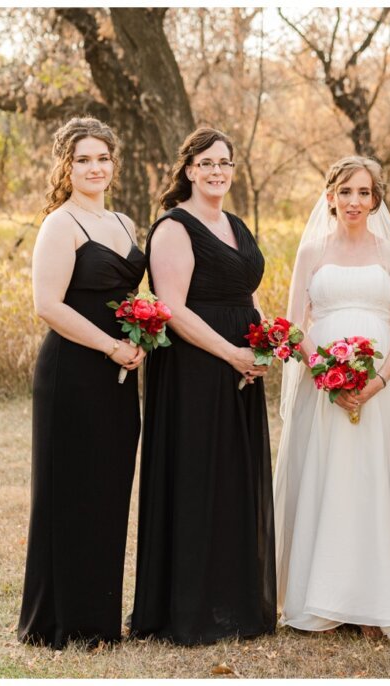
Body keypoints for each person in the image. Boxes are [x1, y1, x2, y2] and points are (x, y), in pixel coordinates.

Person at [130, 128, 275, 645]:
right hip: (195, 368)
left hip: (241, 366)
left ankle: (233, 602)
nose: (218, 171)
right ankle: (189, 608)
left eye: (225, 163)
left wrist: (263, 342)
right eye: (207, 163)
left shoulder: (235, 224)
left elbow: (246, 293)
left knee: (234, 478)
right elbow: (172, 308)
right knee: (197, 478)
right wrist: (231, 352)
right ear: (189, 169)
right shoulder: (174, 228)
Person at [274, 156, 390, 639]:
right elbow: (296, 326)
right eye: (345, 191)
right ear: (330, 195)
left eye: (364, 192)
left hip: (378, 387)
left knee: (370, 478)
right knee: (326, 476)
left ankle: (371, 604)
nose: (354, 201)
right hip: (324, 389)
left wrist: (376, 382)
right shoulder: (312, 250)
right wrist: (327, 377)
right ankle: (321, 600)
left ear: (376, 198)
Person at [18, 117, 146, 649]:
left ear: (114, 163)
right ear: (66, 167)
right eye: (82, 159)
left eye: (102, 158)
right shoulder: (60, 224)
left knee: (109, 491)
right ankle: (59, 621)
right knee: (69, 491)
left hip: (120, 375)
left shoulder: (125, 222)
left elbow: (129, 296)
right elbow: (48, 305)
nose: (95, 168)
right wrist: (111, 345)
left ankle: (99, 619)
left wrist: (141, 332)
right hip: (73, 371)